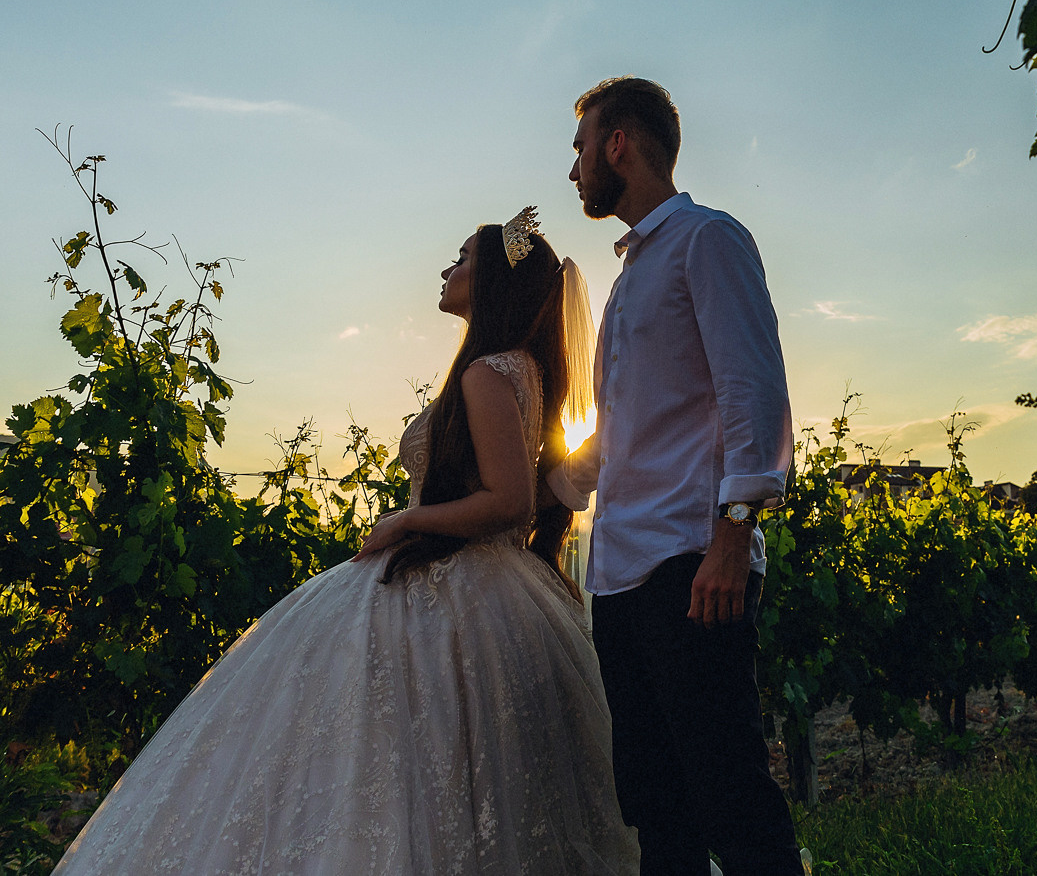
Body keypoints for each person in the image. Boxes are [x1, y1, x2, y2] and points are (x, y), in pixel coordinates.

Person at [52, 209, 639, 876]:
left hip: (459, 584)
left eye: (462, 258)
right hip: (495, 590)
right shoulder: (521, 368)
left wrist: (406, 521)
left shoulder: (486, 372)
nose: (448, 269)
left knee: (385, 755)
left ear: (493, 282)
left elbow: (509, 501)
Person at [547, 77, 803, 876]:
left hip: (692, 569)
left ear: (619, 141)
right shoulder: (627, 282)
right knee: (657, 813)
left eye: (581, 146)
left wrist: (733, 536)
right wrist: (533, 492)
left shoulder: (708, 240)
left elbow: (753, 392)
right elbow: (614, 439)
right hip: (620, 584)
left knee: (732, 800)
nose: (575, 168)